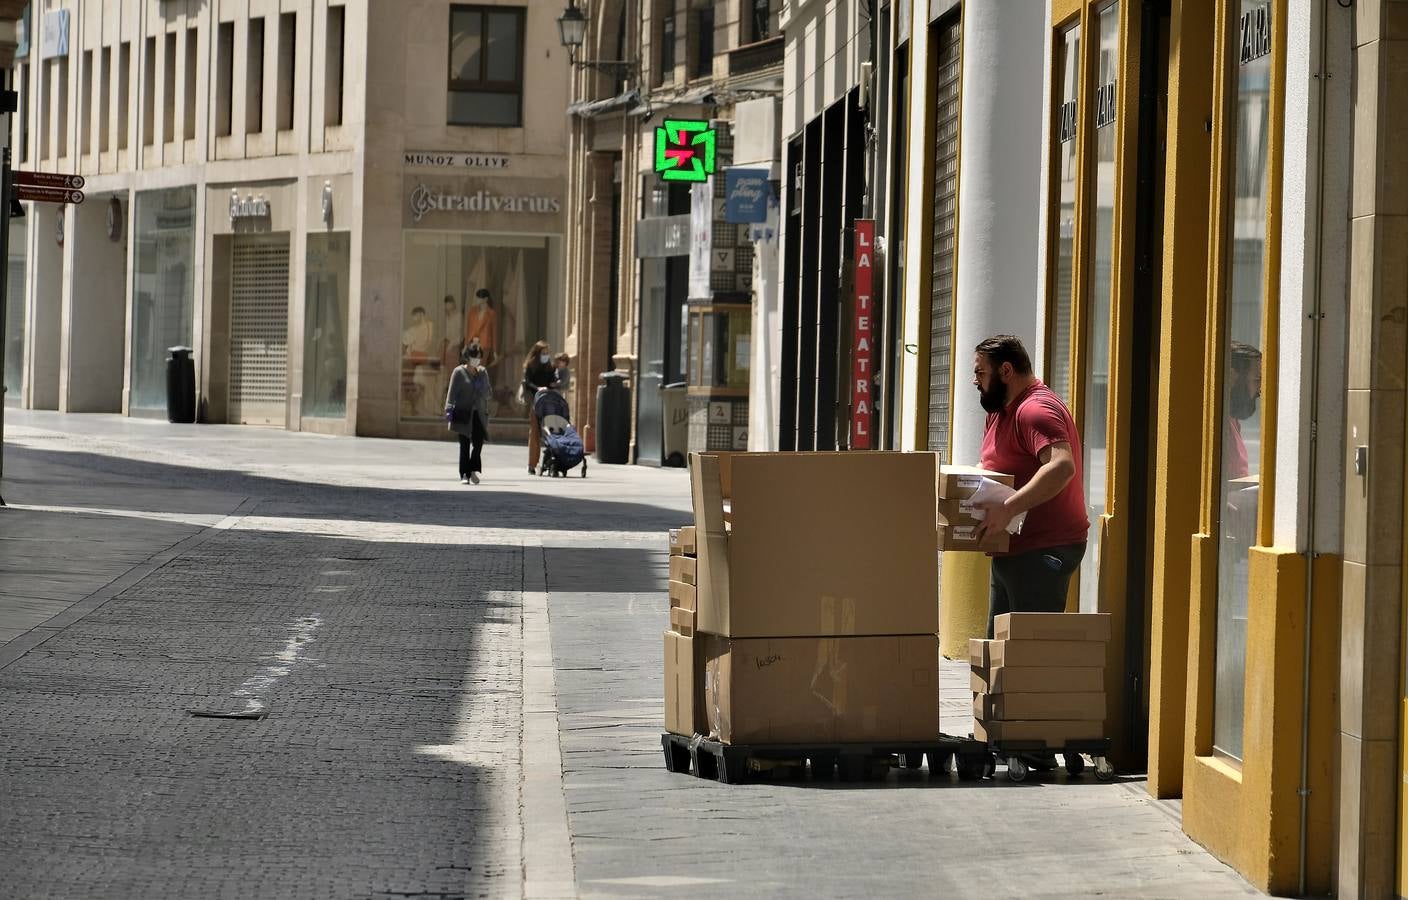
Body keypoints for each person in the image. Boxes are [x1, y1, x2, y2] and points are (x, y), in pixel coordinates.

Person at [970, 334, 1090, 638]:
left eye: (980, 372)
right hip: (1011, 547)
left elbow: (1061, 466)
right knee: (998, 652)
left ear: (1006, 371)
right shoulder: (1001, 412)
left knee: (1027, 655)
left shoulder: (1035, 410)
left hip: (1043, 550)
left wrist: (1008, 508)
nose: (975, 381)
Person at [445, 344, 492, 484]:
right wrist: (448, 410)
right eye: (473, 357)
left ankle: (472, 469)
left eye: (478, 357)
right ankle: (464, 474)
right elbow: (451, 393)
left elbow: (489, 394)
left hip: (479, 413)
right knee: (464, 444)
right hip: (463, 412)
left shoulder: (482, 372)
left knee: (478, 443)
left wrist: (481, 385)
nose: (476, 360)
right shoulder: (458, 372)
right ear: (467, 357)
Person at [522, 340, 559, 475]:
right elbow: (527, 382)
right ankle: (532, 464)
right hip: (535, 401)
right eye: (543, 353)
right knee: (535, 433)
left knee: (550, 431)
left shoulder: (549, 366)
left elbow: (552, 379)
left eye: (547, 353)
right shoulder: (531, 366)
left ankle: (551, 460)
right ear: (537, 354)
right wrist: (538, 388)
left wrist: (554, 383)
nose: (546, 355)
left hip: (548, 401)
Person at [464, 289, 498, 364]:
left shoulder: (491, 314)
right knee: (471, 366)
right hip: (472, 342)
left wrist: (494, 351)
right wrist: (465, 345)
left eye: (479, 298)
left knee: (480, 366)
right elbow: (469, 329)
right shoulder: (472, 312)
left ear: (485, 299)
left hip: (484, 343)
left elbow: (494, 332)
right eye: (477, 297)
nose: (477, 300)